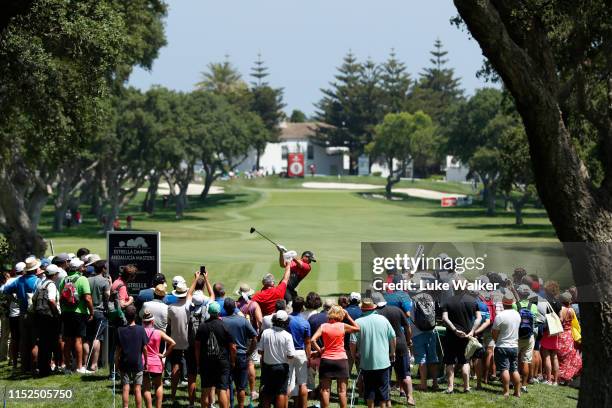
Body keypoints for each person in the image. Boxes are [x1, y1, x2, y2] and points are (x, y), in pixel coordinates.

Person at [349, 298, 396, 408]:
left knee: (369, 390)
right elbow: (393, 337)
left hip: (366, 362)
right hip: (383, 361)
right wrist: (392, 352)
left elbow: (352, 342)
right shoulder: (383, 319)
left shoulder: (358, 322)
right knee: (383, 390)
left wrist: (353, 354)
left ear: (362, 309)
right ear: (373, 308)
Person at [311, 305, 360, 408]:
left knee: (325, 390)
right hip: (341, 360)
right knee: (342, 391)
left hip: (326, 360)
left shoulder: (323, 326)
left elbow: (312, 340)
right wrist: (348, 316)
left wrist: (320, 351)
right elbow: (357, 328)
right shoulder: (342, 325)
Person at [371, 292, 415, 406]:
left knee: (386, 376)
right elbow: (407, 327)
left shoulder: (375, 313)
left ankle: (387, 399)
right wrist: (408, 340)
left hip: (384, 346)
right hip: (401, 344)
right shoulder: (397, 310)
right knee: (405, 374)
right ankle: (410, 397)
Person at [440, 280, 481, 393]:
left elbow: (445, 318)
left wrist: (454, 330)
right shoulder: (473, 301)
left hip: (451, 335)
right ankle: (466, 387)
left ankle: (450, 387)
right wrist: (472, 331)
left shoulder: (447, 301)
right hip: (467, 335)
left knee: (449, 362)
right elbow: (479, 318)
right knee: (465, 361)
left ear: (454, 287)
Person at [167, 271, 201, 405]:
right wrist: (196, 279)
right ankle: (191, 402)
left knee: (175, 367)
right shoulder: (189, 306)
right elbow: (190, 294)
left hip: (175, 341)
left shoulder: (171, 308)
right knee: (192, 374)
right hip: (189, 342)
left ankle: (173, 396)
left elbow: (169, 324)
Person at [195, 301, 236, 408]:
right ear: (219, 312)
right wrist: (232, 361)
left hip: (206, 361)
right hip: (222, 361)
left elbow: (197, 347)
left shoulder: (202, 327)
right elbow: (232, 347)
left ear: (209, 312)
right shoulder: (225, 326)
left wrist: (198, 363)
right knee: (222, 389)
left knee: (206, 389)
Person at [1, 260, 39, 372]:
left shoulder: (19, 281)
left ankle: (23, 367)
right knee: (34, 342)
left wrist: (15, 300)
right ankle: (34, 367)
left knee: (23, 341)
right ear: (35, 269)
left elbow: (5, 290)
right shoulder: (37, 281)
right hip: (34, 314)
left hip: (22, 314)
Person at [59, 257, 94, 374]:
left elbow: (61, 298)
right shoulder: (82, 279)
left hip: (66, 313)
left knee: (67, 340)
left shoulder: (64, 280)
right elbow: (88, 298)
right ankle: (79, 367)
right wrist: (91, 312)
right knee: (78, 340)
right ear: (79, 268)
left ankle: (67, 368)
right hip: (79, 312)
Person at [222, 298, 257, 408]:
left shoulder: (222, 321)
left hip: (226, 356)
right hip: (242, 356)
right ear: (235, 307)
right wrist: (249, 352)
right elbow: (254, 337)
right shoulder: (243, 320)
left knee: (226, 385)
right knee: (241, 387)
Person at [258, 310, 295, 408]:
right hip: (281, 367)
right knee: (281, 393)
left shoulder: (266, 332)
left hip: (267, 367)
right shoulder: (287, 336)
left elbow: (260, 351)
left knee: (267, 392)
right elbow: (291, 355)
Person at [31, 262, 61, 377]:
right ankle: (48, 368)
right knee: (51, 343)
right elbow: (51, 300)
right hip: (49, 317)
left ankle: (43, 368)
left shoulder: (41, 283)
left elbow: (34, 299)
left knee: (43, 344)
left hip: (40, 317)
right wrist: (56, 313)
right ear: (54, 274)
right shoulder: (51, 285)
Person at [116, 305, 149, 408]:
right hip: (137, 362)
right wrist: (146, 362)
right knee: (138, 389)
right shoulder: (141, 330)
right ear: (135, 316)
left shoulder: (120, 330)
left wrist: (116, 362)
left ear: (125, 316)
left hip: (124, 362)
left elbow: (118, 350)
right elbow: (144, 349)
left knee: (125, 387)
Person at [142, 309, 176, 408]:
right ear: (152, 322)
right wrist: (164, 355)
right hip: (156, 362)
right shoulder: (158, 332)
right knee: (158, 385)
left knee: (146, 388)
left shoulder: (140, 331)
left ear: (143, 322)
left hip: (145, 362)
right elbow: (173, 343)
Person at [234, 283, 263, 401]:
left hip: (237, 337)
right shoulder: (254, 305)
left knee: (236, 363)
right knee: (250, 363)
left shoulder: (235, 304)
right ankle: (252, 391)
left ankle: (238, 389)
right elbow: (260, 321)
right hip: (251, 338)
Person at [492, 293, 522, 398]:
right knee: (514, 369)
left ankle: (506, 391)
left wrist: (497, 341)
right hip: (514, 346)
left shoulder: (500, 316)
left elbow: (494, 333)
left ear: (503, 303)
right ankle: (517, 392)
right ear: (512, 303)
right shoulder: (517, 314)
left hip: (502, 345)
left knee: (504, 369)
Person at [409, 288, 439, 392]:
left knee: (422, 359)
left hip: (417, 333)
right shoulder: (431, 300)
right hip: (431, 332)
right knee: (433, 358)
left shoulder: (413, 301)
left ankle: (423, 384)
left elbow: (411, 318)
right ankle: (435, 383)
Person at [511, 284, 539, 392]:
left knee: (514, 360)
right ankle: (524, 385)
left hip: (517, 336)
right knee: (526, 361)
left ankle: (513, 382)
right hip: (529, 337)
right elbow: (535, 322)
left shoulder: (515, 305)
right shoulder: (533, 306)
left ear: (519, 293)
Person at [85, 259, 110, 373]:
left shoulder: (87, 280)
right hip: (100, 312)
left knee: (87, 338)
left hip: (88, 311)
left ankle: (84, 363)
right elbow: (107, 297)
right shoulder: (105, 281)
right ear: (103, 269)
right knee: (97, 338)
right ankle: (94, 364)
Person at [287, 296, 311, 408]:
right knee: (302, 383)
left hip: (288, 353)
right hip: (301, 353)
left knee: (288, 383)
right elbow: (307, 343)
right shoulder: (305, 322)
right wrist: (309, 357)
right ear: (302, 307)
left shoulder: (287, 320)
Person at [557, 292, 582, 384]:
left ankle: (560, 376)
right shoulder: (571, 310)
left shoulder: (561, 310)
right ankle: (567, 376)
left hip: (561, 334)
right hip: (569, 335)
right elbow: (574, 323)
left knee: (560, 356)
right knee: (569, 357)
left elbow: (560, 321)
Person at [540, 280, 562, 385]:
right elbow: (561, 318)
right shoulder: (558, 302)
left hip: (546, 331)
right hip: (555, 331)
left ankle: (548, 379)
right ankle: (556, 381)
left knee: (546, 356)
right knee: (554, 356)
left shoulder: (544, 301)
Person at [343, 292, 363, 375]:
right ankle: (361, 386)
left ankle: (344, 387)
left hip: (346, 343)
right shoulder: (362, 312)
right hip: (360, 343)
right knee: (360, 370)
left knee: (347, 369)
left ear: (349, 300)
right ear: (359, 301)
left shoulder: (344, 312)